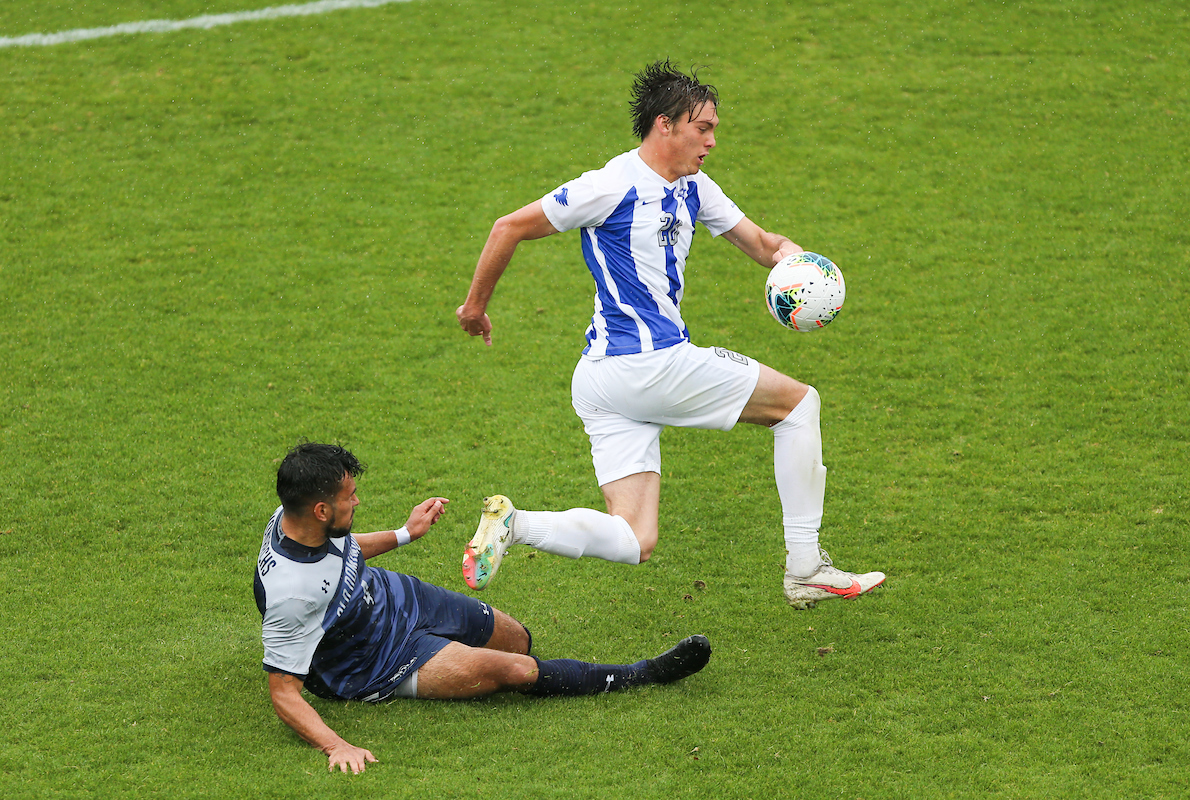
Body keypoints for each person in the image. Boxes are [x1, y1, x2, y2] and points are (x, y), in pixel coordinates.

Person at [455, 60, 885, 610]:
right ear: (665, 125)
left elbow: (760, 243)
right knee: (798, 406)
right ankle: (806, 567)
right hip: (651, 363)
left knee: (635, 538)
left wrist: (790, 256)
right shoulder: (609, 185)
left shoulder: (694, 187)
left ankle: (515, 525)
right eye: (702, 128)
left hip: (600, 381)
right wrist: (474, 307)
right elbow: (508, 226)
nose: (711, 141)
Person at [256, 442, 712, 774]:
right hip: (376, 661)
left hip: (398, 598)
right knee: (517, 669)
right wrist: (336, 745)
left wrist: (406, 533)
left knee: (519, 640)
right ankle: (644, 674)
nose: (357, 501)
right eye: (349, 497)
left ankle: (456, 651)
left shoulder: (293, 519)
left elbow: (342, 549)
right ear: (320, 510)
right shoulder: (292, 595)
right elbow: (284, 692)